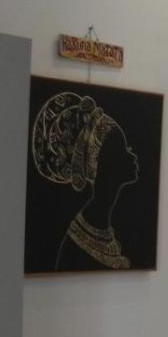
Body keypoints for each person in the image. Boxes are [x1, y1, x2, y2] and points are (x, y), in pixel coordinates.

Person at [31, 92, 140, 270]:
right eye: (123, 150)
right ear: (104, 165)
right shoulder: (76, 249)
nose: (132, 155)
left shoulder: (100, 224)